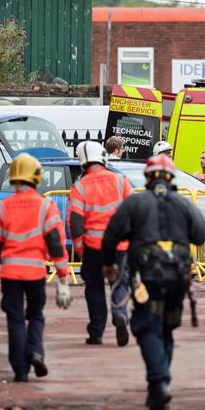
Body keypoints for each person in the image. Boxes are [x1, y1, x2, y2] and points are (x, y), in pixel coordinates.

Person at [101, 154, 205, 410]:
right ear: (171, 178)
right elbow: (200, 234)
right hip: (178, 277)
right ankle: (157, 389)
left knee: (148, 328)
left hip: (147, 278)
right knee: (166, 329)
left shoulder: (135, 203)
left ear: (148, 177)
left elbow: (111, 236)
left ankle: (159, 382)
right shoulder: (183, 204)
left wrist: (109, 266)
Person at [0, 153, 71, 383]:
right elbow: (55, 243)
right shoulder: (46, 207)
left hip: (11, 273)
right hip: (35, 274)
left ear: (14, 178)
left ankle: (20, 371)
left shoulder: (3, 207)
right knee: (36, 315)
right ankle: (35, 352)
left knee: (15, 319)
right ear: (36, 177)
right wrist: (62, 275)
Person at [70, 141, 134, 346]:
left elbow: (76, 222)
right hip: (120, 247)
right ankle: (120, 313)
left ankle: (96, 332)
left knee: (94, 288)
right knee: (120, 283)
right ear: (103, 158)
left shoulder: (80, 186)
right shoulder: (121, 181)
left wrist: (80, 250)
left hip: (93, 248)